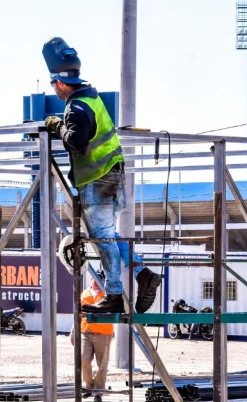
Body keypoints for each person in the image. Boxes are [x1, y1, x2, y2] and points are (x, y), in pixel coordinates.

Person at [42, 37, 161, 314]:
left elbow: (76, 142)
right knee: (110, 234)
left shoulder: (76, 107)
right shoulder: (92, 98)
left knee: (103, 239)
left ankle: (115, 294)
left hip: (96, 180)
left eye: (53, 84)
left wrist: (58, 126)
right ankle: (142, 274)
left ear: (59, 82)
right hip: (114, 175)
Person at [71, 270, 112, 402]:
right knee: (83, 359)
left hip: (103, 332)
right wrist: (73, 331)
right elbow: (77, 313)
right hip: (86, 331)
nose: (96, 281)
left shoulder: (108, 295)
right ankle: (89, 386)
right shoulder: (84, 294)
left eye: (99, 278)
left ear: (104, 280)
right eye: (94, 278)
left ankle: (98, 390)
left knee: (102, 364)